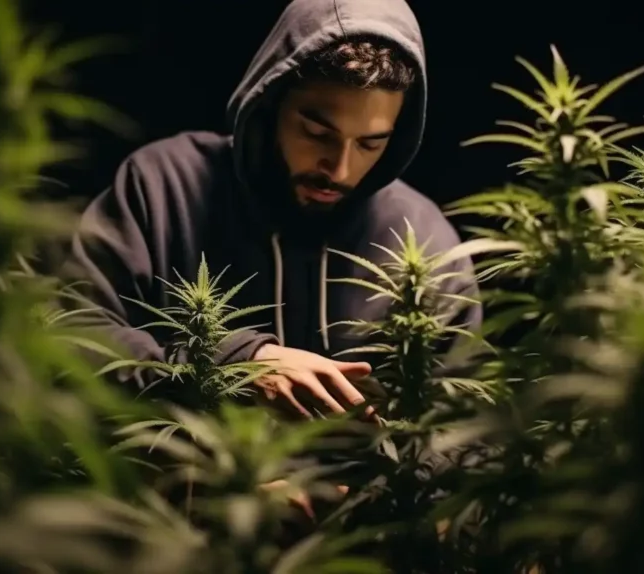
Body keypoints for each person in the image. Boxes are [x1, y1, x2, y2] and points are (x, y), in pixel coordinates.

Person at [69, 0, 481, 419]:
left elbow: (464, 427)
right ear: (268, 105)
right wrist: (229, 367)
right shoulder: (163, 187)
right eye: (317, 132)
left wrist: (372, 485)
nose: (339, 169)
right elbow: (69, 335)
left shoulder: (425, 239)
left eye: (370, 144)